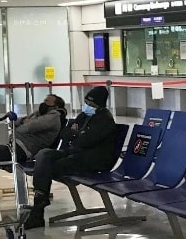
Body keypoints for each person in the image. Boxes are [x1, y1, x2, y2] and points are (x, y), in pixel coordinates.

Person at [25, 86, 117, 229]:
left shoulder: (105, 120)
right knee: (44, 154)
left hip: (93, 160)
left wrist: (75, 134)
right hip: (75, 153)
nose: (87, 107)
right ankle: (40, 201)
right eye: (86, 103)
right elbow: (65, 133)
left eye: (91, 105)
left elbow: (85, 141)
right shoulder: (84, 116)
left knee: (48, 167)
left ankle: (38, 207)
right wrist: (76, 134)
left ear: (99, 106)